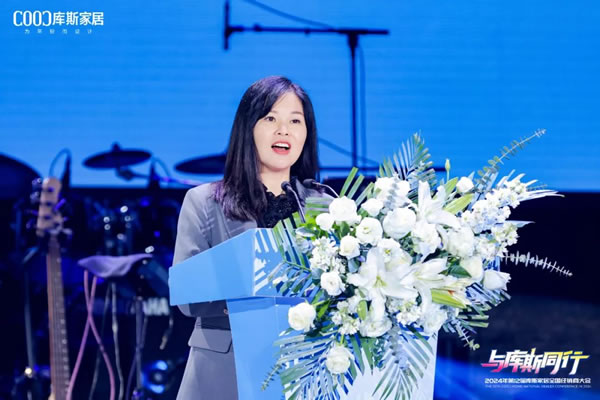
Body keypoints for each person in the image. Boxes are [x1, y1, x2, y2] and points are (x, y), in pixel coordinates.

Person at [173, 76, 327, 400]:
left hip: (305, 370)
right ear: (248, 127)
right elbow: (188, 298)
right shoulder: (204, 202)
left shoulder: (326, 206)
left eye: (295, 121)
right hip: (223, 372)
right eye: (270, 118)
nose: (284, 130)